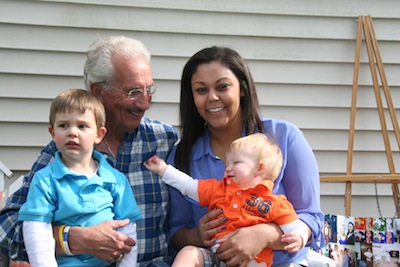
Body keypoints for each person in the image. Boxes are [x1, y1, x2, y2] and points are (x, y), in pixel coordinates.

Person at [0, 36, 179, 266]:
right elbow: (6, 226)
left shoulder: (165, 140)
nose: (144, 103)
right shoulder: (64, 153)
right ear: (97, 91)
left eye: (148, 89)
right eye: (133, 92)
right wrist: (73, 239)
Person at [167, 46, 324, 267]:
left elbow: (312, 219)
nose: (212, 97)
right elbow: (176, 233)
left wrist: (265, 234)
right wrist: (197, 235)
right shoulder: (182, 155)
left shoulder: (284, 137)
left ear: (241, 88)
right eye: (201, 90)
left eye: (222, 87)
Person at [18, 89, 142, 267]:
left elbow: (128, 231)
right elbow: (36, 232)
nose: (72, 132)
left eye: (82, 126)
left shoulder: (115, 180)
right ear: (52, 133)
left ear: (99, 134)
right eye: (63, 125)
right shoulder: (45, 180)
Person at [145, 134, 309, 267]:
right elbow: (188, 185)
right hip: (216, 256)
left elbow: (295, 226)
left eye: (236, 162)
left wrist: (299, 238)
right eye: (227, 163)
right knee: (188, 253)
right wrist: (163, 170)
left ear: (260, 168)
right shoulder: (219, 189)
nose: (227, 168)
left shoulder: (273, 203)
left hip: (251, 261)